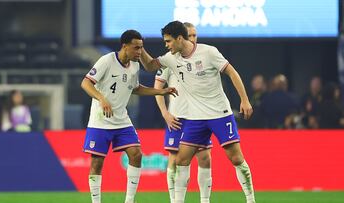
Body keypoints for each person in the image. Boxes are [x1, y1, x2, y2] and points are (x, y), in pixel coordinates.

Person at [140, 21, 255, 203]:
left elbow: (232, 73)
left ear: (179, 38)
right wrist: (140, 50)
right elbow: (150, 66)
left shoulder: (208, 52)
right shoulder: (171, 57)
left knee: (235, 158)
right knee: (180, 160)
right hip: (195, 118)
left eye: (168, 41)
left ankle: (250, 199)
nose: (166, 45)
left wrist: (245, 100)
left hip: (219, 113)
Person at [81, 30, 178, 203]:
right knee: (97, 163)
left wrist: (160, 91)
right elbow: (86, 82)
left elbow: (135, 88)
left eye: (141, 48)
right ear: (124, 46)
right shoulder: (107, 60)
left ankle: (129, 200)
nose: (140, 52)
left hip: (121, 120)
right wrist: (102, 98)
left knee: (136, 154)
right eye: (136, 48)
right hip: (100, 121)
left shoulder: (135, 65)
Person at [154, 22, 212, 203]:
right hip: (177, 117)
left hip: (199, 116)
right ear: (181, 37)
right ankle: (175, 200)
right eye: (190, 35)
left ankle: (204, 200)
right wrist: (165, 113)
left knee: (205, 157)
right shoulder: (169, 59)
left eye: (195, 35)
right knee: (174, 158)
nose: (192, 39)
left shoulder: (202, 56)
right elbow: (158, 87)